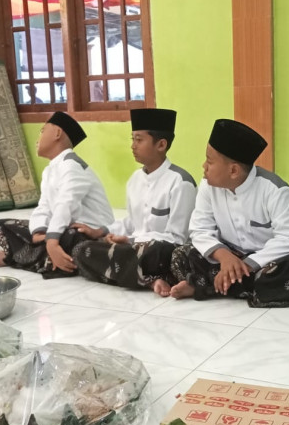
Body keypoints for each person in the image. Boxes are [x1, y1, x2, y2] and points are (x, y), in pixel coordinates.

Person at [169, 119, 289, 307]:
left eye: (209, 161)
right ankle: (246, 287)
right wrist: (224, 256)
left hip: (265, 260)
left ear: (233, 170)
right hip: (227, 254)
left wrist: (247, 264)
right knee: (181, 255)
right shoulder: (208, 186)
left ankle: (207, 286)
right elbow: (199, 230)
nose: (203, 166)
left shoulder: (275, 190)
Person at [71, 108, 196, 296]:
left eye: (139, 140)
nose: (132, 146)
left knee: (157, 252)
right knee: (82, 249)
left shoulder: (180, 182)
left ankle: (138, 274)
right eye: (133, 139)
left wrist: (131, 241)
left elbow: (178, 237)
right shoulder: (135, 179)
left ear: (161, 145)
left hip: (160, 252)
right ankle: (149, 279)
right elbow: (130, 223)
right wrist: (101, 231)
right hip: (132, 249)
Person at [0, 111, 114, 278]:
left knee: (70, 238)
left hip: (86, 235)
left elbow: (66, 204)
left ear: (57, 133)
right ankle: (41, 257)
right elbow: (44, 207)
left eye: (42, 131)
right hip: (62, 230)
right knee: (0, 226)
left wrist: (52, 240)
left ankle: (15, 256)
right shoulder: (50, 170)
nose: (38, 138)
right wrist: (39, 233)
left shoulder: (72, 166)